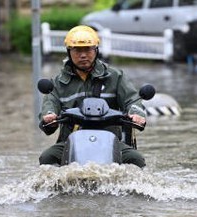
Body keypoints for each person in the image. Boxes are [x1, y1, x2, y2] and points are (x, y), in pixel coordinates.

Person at [38, 25, 147, 168]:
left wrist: (136, 114)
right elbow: (49, 105)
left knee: (136, 159)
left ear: (96, 50)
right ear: (69, 52)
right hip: (69, 142)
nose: (83, 55)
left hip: (110, 141)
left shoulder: (115, 76)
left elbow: (132, 99)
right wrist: (49, 117)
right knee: (47, 158)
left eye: (88, 49)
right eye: (77, 50)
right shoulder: (58, 83)